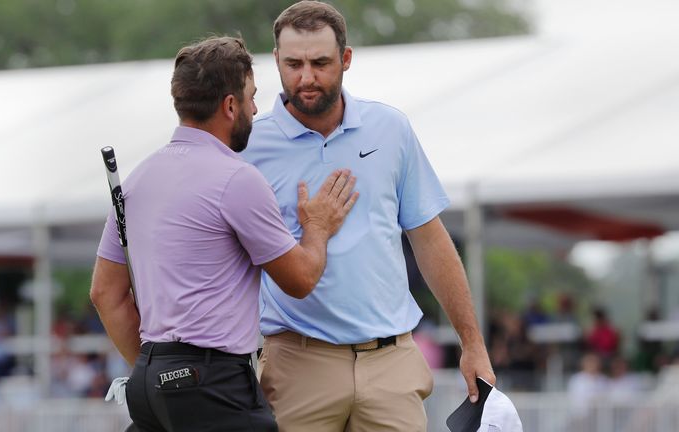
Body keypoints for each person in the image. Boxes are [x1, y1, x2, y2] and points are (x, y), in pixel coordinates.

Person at [242, 2, 494, 430]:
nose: (306, 77)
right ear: (276, 62)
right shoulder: (248, 145)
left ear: (346, 59)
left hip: (390, 362)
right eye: (293, 63)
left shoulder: (391, 129)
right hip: (296, 362)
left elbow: (430, 240)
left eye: (320, 62)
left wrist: (473, 343)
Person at [91, 36, 358, 432]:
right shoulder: (237, 179)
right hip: (213, 383)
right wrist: (317, 228)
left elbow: (104, 294)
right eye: (250, 97)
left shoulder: (138, 178)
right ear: (230, 106)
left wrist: (160, 371)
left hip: (150, 380)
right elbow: (300, 279)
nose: (254, 107)